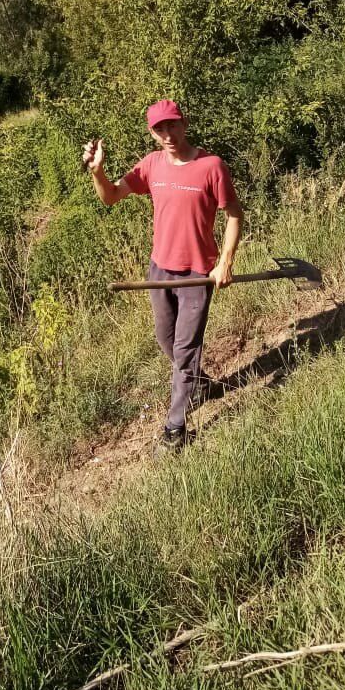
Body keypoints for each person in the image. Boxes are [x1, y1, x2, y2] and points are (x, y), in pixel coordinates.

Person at [82, 99, 243, 450]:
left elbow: (233, 214)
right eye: (159, 129)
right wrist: (97, 171)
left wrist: (225, 261)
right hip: (160, 269)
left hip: (198, 274)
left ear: (183, 123)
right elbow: (110, 197)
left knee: (185, 349)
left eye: (172, 125)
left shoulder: (211, 166)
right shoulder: (152, 165)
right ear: (152, 133)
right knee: (164, 338)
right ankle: (198, 383)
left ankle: (175, 427)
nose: (167, 134)